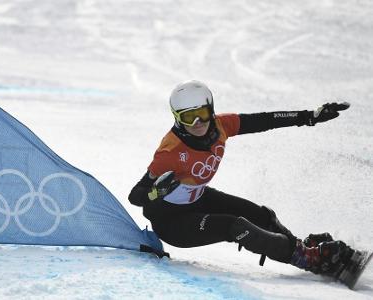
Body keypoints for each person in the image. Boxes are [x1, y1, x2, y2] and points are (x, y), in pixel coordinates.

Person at [128, 80, 357, 281]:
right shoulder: (170, 151)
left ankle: (300, 247)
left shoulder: (219, 126)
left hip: (198, 199)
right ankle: (309, 259)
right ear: (177, 118)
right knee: (236, 227)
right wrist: (155, 193)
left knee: (261, 215)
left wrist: (308, 117)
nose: (197, 122)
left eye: (202, 114)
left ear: (211, 110)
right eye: (188, 116)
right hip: (173, 224)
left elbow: (262, 121)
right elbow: (136, 196)